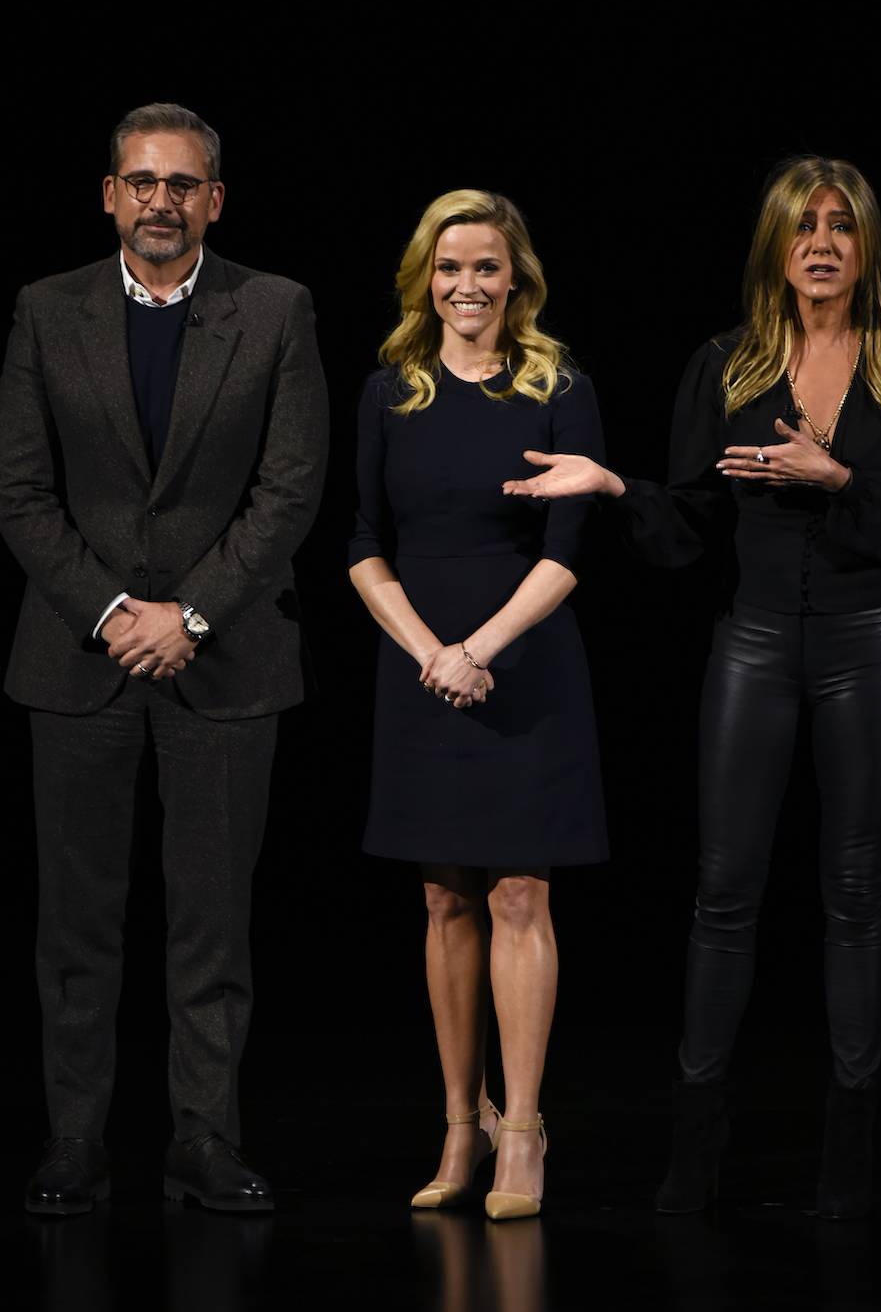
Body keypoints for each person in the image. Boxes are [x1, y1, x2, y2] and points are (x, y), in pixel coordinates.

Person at [502, 156, 881, 1219]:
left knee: (854, 894)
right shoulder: (723, 364)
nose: (820, 243)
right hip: (753, 641)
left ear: (865, 247)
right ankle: (695, 1153)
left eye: (840, 226)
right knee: (724, 895)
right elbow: (683, 526)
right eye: (800, 225)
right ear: (774, 245)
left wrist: (839, 477)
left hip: (868, 640)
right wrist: (615, 484)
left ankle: (846, 1159)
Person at [0, 102, 329, 1214]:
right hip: (76, 660)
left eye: (181, 184)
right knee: (77, 925)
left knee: (211, 923)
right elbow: (22, 495)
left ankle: (202, 1138)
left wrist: (188, 614)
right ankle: (75, 1141)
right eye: (140, 181)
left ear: (214, 200)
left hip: (222, 661)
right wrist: (112, 610)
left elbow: (289, 491)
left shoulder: (275, 310)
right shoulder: (47, 312)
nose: (159, 200)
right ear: (109, 194)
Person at [349, 189, 607, 1221]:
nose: (467, 285)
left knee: (518, 896)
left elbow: (568, 552)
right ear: (426, 277)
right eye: (449, 266)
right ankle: (462, 1119)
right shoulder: (387, 393)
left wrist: (480, 648)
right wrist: (430, 652)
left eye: (486, 267)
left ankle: (526, 1129)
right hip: (419, 658)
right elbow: (361, 538)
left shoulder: (559, 385)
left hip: (525, 661)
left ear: (516, 279)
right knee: (443, 897)